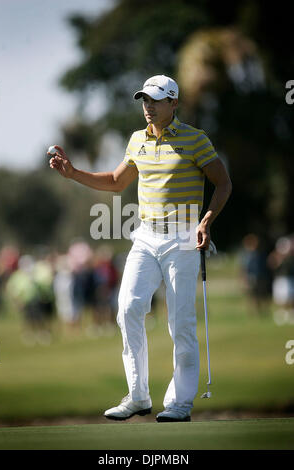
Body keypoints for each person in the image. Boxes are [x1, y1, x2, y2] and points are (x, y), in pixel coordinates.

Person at [49, 75, 232, 422]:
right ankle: (138, 396)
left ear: (173, 103)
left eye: (155, 100)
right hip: (146, 236)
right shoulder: (137, 141)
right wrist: (72, 173)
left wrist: (206, 221)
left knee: (180, 323)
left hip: (183, 237)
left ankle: (179, 403)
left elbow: (223, 184)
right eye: (144, 101)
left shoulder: (195, 140)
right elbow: (118, 182)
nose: (147, 107)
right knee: (128, 308)